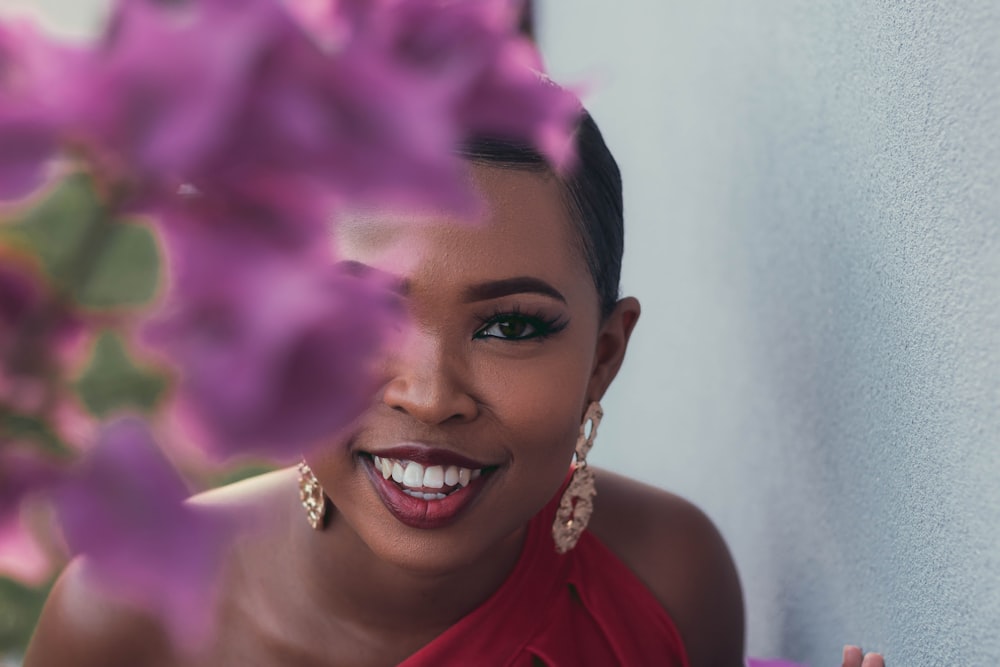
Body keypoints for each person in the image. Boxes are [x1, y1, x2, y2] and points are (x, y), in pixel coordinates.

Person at [23, 111, 884, 667]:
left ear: (603, 357)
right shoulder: (126, 619)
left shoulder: (669, 581)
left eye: (510, 325)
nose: (431, 395)